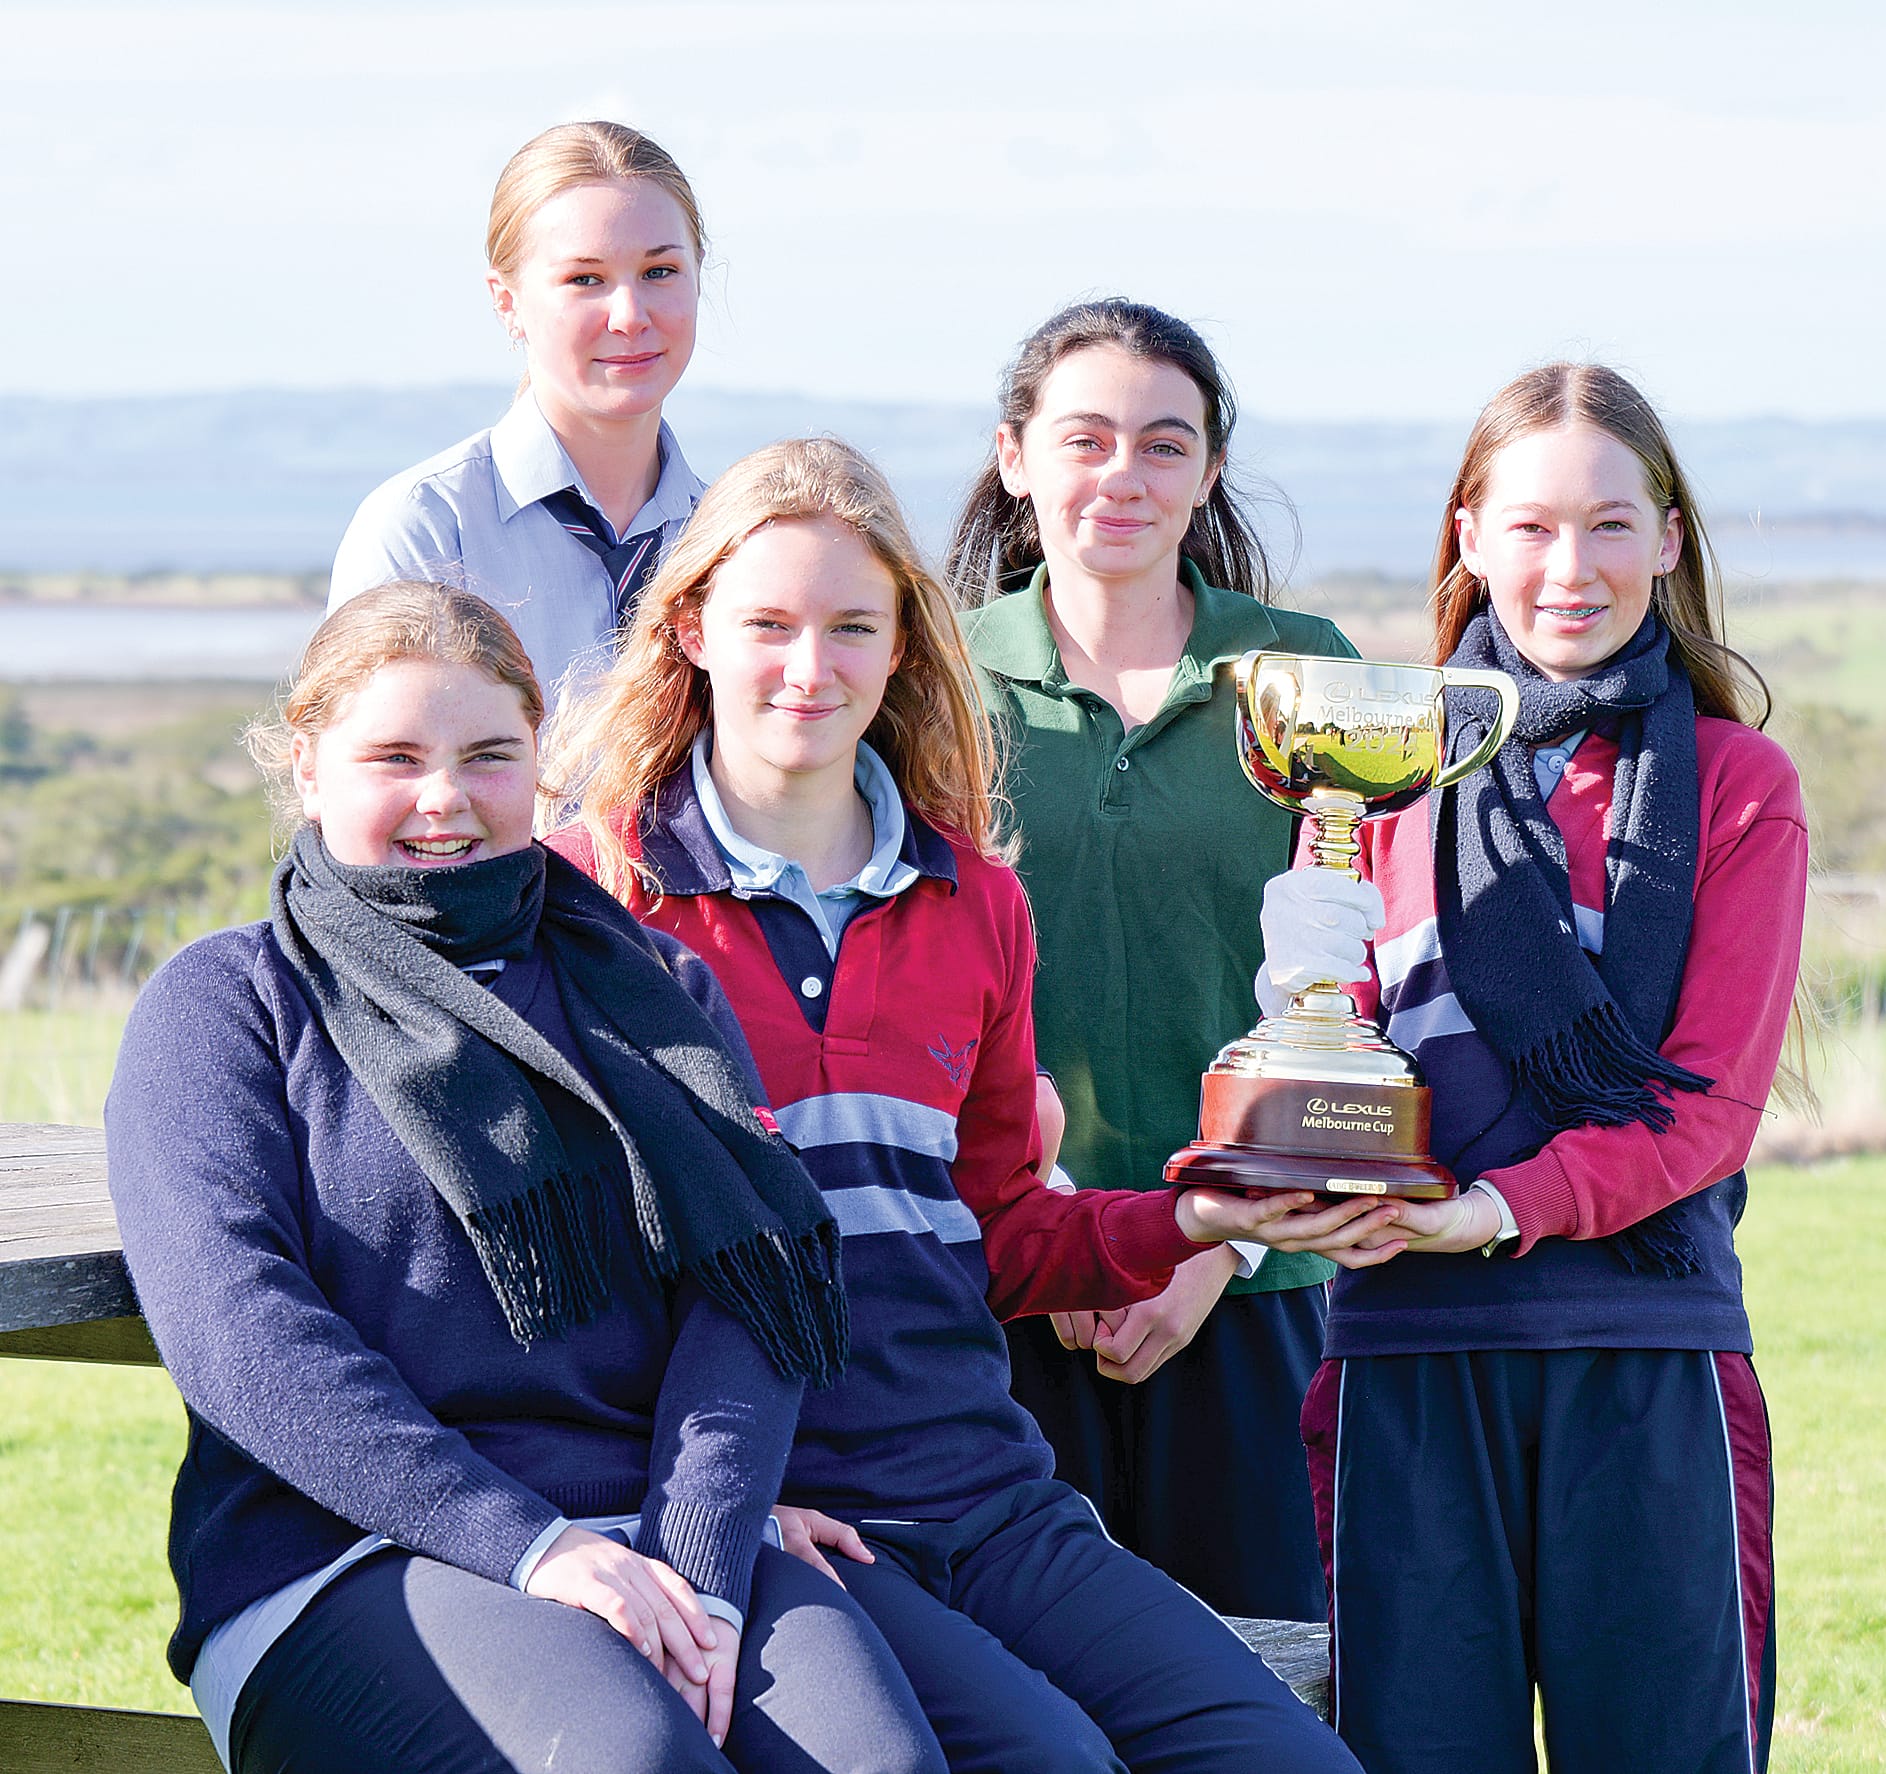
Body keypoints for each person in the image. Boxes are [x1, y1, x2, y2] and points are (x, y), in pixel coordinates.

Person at [544, 436, 1374, 1774]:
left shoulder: (974, 900)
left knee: (1290, 1761)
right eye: (768, 622)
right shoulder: (587, 894)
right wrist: (713, 1510)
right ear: (690, 627)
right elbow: (563, 1267)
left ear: (903, 649)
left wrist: (1196, 1213)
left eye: (850, 627)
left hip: (983, 1483)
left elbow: (993, 1230)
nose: (808, 667)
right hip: (780, 1510)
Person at [104, 584, 943, 1774]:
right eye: (394, 756)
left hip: (652, 1532)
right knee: (630, 1764)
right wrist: (531, 1545)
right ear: (307, 766)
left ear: (538, 764)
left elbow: (748, 1293)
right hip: (349, 1551)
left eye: (488, 754)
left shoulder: (655, 989)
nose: (444, 798)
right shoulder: (225, 1007)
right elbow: (238, 1332)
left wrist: (698, 1564)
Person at [1260, 364, 1806, 1774]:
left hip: (1646, 1351)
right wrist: (1308, 1161)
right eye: (1532, 526)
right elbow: (1339, 1046)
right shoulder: (1379, 772)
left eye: (1612, 524)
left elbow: (1707, 1108)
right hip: (1405, 1350)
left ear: (1671, 539)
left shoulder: (1739, 784)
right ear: (1468, 534)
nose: (1571, 569)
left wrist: (1499, 1208)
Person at [945, 297, 1359, 1622]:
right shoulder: (930, 680)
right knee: (1022, 1701)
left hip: (1255, 1283)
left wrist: (1208, 1248)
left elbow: (1363, 978)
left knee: (1265, 1690)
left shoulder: (1307, 673)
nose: (1122, 474)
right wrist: (1061, 1233)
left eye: (1162, 444)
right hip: (998, 1288)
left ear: (1209, 470)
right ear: (1016, 457)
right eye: (1084, 439)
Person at [330, 122, 707, 701]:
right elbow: (373, 773)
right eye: (585, 279)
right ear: (507, 303)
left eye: (660, 272)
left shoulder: (734, 540)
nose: (630, 315)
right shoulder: (427, 531)